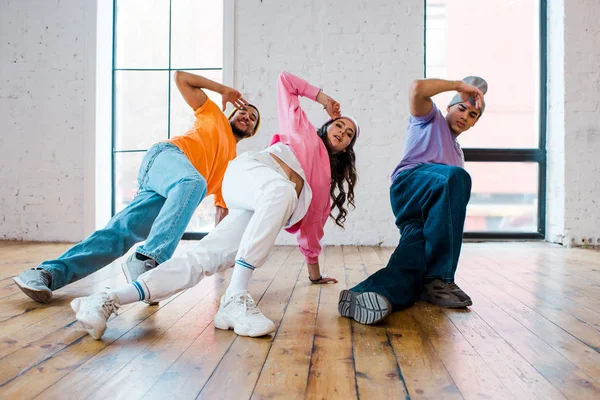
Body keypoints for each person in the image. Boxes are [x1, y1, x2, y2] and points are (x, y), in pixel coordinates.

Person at [70, 71, 360, 340]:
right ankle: (235, 297)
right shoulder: (303, 129)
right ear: (327, 125)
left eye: (349, 134)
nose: (343, 132)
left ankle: (107, 300)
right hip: (252, 175)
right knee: (283, 192)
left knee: (205, 257)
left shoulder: (321, 188)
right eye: (340, 124)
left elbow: (311, 234)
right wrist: (323, 99)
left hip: (265, 205)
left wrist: (316, 275)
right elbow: (286, 82)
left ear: (347, 147)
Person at [13, 71, 260, 304]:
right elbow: (182, 78)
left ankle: (45, 274)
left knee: (119, 234)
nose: (247, 116)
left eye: (253, 119)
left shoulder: (233, 166)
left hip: (172, 193)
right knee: (194, 182)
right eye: (244, 111)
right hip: (166, 158)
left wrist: (222, 253)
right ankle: (147, 259)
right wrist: (223, 89)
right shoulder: (213, 113)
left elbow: (222, 214)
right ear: (232, 114)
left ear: (251, 132)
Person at [338, 76, 487, 325]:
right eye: (462, 108)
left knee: (413, 260)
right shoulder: (430, 119)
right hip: (410, 186)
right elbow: (417, 88)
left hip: (427, 209)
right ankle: (441, 278)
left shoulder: (457, 153)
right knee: (456, 178)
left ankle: (369, 294)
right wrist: (459, 87)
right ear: (450, 107)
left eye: (473, 116)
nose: (465, 116)